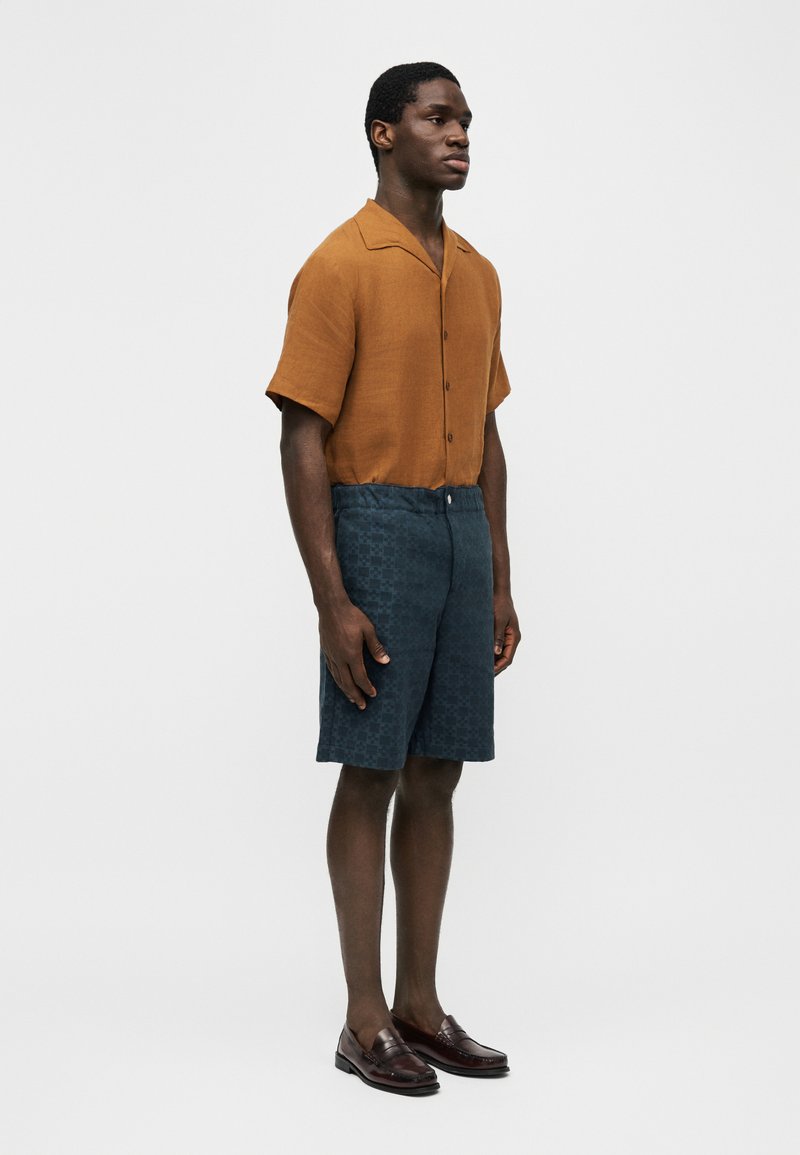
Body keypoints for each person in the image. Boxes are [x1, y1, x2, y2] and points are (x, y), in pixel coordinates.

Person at [265, 61, 521, 1096]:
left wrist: (499, 577)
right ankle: (362, 1017)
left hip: (461, 527)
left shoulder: (480, 273)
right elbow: (301, 434)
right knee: (369, 768)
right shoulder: (339, 264)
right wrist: (331, 597)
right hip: (373, 522)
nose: (458, 134)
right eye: (435, 118)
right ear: (383, 133)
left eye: (464, 120)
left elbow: (489, 433)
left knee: (438, 769)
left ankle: (419, 1002)